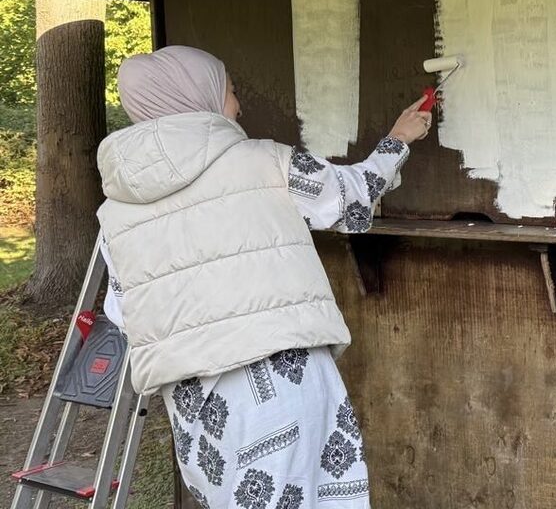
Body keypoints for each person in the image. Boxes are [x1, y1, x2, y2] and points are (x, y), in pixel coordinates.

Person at [95, 46, 432, 508]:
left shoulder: (115, 212)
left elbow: (123, 309)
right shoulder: (263, 161)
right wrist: (399, 138)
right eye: (231, 92)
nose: (237, 104)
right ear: (202, 97)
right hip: (280, 387)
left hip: (196, 411)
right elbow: (349, 198)